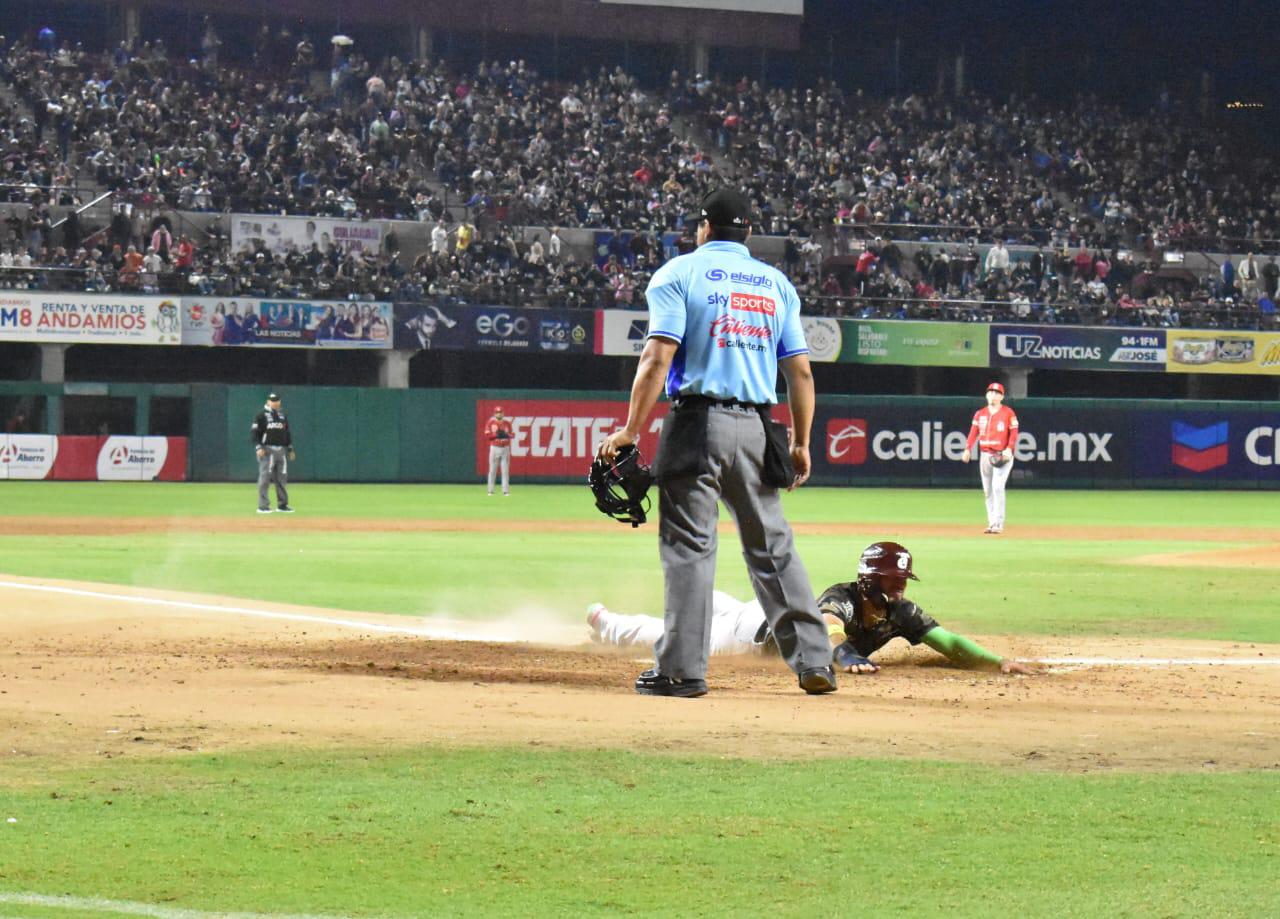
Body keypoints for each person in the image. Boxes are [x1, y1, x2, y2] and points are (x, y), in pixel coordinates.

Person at [598, 187, 836, 699]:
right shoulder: (776, 285)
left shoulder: (679, 273)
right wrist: (801, 442)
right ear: (748, 233)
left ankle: (682, 671)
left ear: (703, 228)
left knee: (689, 549)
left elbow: (657, 358)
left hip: (696, 423)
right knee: (773, 548)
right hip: (757, 427)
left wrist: (630, 430)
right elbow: (800, 371)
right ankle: (816, 662)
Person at [588, 541, 1031, 676]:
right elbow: (828, 629)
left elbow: (947, 640)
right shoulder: (843, 596)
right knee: (679, 636)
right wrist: (849, 655)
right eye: (895, 581)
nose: (900, 590)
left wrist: (997, 663)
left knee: (713, 603)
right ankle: (606, 623)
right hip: (751, 636)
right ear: (873, 581)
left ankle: (691, 597)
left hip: (760, 615)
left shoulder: (901, 612)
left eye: (902, 582)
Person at [962, 382, 1020, 534]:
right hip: (985, 455)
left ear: (1002, 396)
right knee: (988, 490)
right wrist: (967, 448)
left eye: (996, 393)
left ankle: (999, 524)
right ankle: (992, 522)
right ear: (986, 395)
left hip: (1002, 455)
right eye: (990, 392)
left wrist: (1009, 449)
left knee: (997, 487)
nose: (993, 395)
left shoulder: (1008, 413)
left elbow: (1014, 432)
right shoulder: (980, 414)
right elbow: (973, 432)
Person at [251, 392, 294, 514]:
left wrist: (290, 448)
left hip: (281, 449)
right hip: (267, 450)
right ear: (268, 401)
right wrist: (258, 447)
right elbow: (254, 433)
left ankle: (282, 505)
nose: (275, 402)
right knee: (265, 478)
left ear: (279, 402)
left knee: (282, 478)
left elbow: (287, 433)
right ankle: (263, 506)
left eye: (277, 400)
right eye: (272, 400)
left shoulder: (282, 415)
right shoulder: (261, 415)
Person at [484, 406, 513, 496]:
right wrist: (496, 435)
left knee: (505, 471)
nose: (499, 413)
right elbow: (488, 436)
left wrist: (505, 435)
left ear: (503, 413)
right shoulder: (491, 422)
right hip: (494, 447)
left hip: (505, 448)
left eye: (500, 412)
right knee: (492, 470)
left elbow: (512, 435)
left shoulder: (507, 423)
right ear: (494, 413)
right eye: (497, 412)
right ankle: (490, 490)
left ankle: (505, 491)